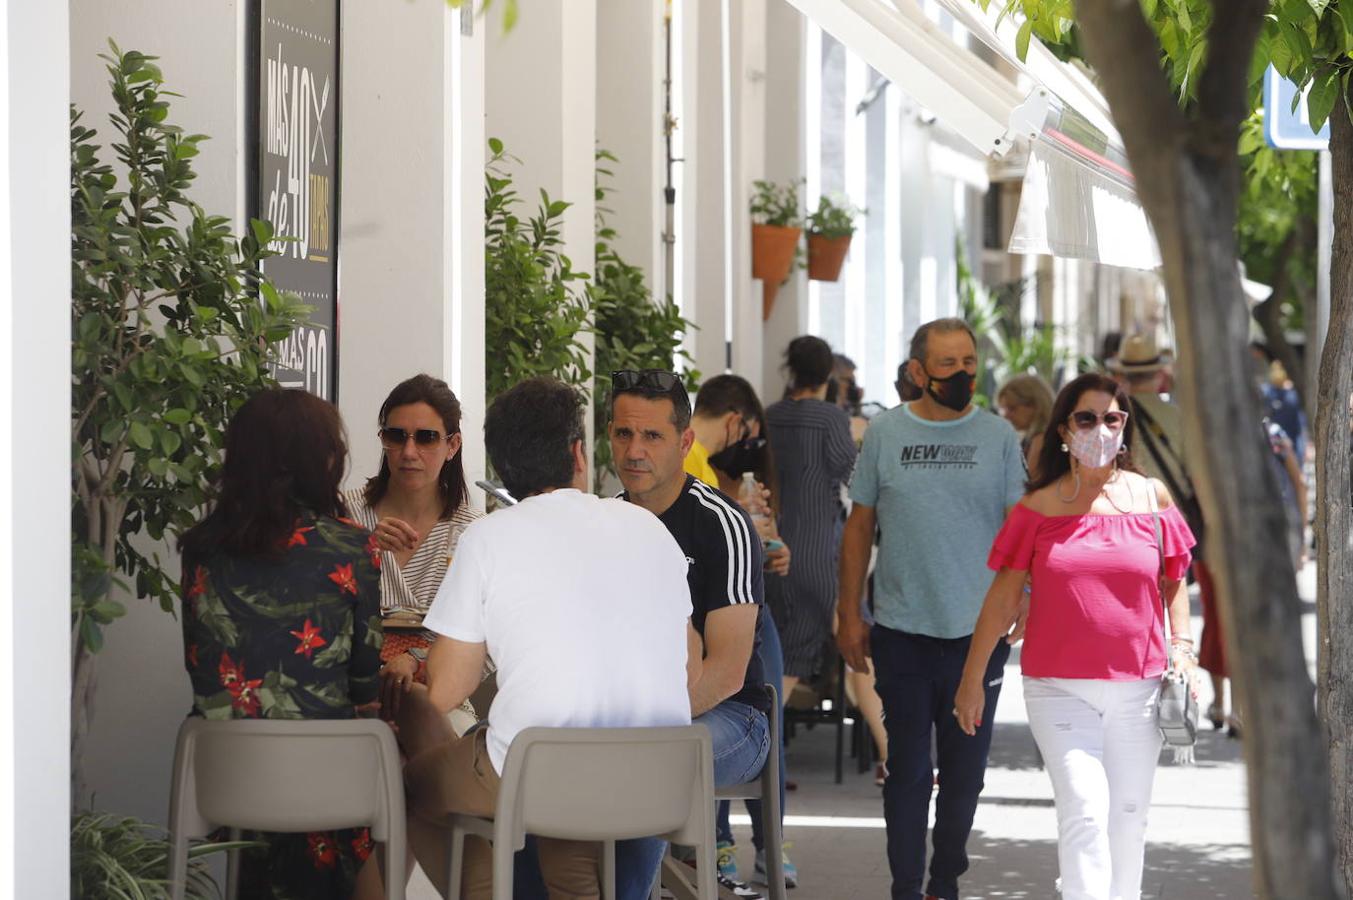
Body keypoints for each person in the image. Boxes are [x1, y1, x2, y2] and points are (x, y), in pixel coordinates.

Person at [396, 377, 697, 899]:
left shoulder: (490, 536)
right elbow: (687, 663)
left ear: (500, 466)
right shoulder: (651, 528)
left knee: (406, 787)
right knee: (563, 792)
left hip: (545, 771)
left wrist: (408, 677)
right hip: (665, 772)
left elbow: (447, 688)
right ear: (578, 454)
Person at [954, 373, 1197, 900]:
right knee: (1085, 812)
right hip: (1058, 688)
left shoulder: (1150, 498)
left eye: (1112, 419)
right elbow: (1001, 598)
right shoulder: (1037, 509)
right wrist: (972, 677)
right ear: (1064, 428)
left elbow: (1174, 577)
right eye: (1086, 418)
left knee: (1128, 819)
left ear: (1125, 427)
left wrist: (1183, 647)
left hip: (1141, 687)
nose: (1101, 430)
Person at [837, 317, 1027, 900]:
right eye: (948, 365)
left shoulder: (998, 438)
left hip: (978, 636)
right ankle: (903, 886)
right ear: (919, 371)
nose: (962, 374)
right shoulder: (886, 435)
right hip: (901, 630)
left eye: (969, 362)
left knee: (965, 775)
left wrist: (1025, 596)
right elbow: (860, 524)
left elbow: (1021, 531)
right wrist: (849, 614)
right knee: (909, 773)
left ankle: (944, 881)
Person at [178, 388, 385, 900]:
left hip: (227, 783)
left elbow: (201, 669)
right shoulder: (354, 547)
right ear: (320, 462)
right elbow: (364, 682)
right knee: (383, 765)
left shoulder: (200, 550)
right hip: (326, 789)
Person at [610, 369, 772, 895]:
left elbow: (725, 673)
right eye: (623, 434)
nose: (635, 450)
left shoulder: (722, 524)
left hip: (732, 716)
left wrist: (643, 728)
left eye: (652, 436)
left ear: (684, 442)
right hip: (627, 716)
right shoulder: (601, 523)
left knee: (645, 764)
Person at [698, 375, 795, 890]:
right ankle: (739, 848)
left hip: (727, 618)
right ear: (739, 421)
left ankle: (744, 848)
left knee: (740, 712)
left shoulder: (706, 468)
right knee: (754, 712)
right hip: (725, 620)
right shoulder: (695, 462)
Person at [341, 374, 483, 723]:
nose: (408, 452)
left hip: (440, 701)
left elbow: (485, 641)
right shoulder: (348, 514)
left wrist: (417, 660)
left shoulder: (472, 531)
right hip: (353, 695)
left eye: (426, 438)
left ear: (453, 446)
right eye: (395, 436)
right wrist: (363, 550)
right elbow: (315, 606)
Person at [766, 337, 858, 698]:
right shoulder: (832, 418)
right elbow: (854, 474)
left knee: (784, 650)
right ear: (827, 375)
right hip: (819, 550)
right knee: (853, 641)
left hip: (775, 548)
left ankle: (767, 738)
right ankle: (888, 744)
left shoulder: (771, 415)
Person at [997, 374, 1054, 471]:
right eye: (1004, 409)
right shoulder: (1034, 437)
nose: (1006, 416)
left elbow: (1027, 483)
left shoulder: (1040, 440)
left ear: (1036, 406)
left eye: (1012, 408)